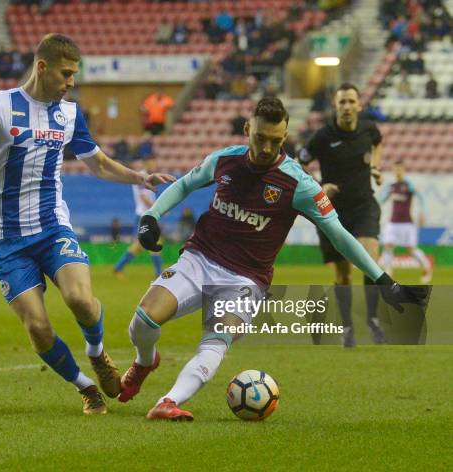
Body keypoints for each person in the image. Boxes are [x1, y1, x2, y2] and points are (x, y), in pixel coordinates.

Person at [117, 97, 425, 421]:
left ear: (286, 136)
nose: (267, 148)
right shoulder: (223, 160)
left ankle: (168, 401)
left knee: (218, 337)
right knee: (144, 320)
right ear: (248, 129)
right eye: (260, 138)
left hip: (245, 280)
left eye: (276, 141)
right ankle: (145, 360)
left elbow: (340, 234)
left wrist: (383, 280)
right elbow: (184, 185)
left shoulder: (299, 184)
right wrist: (151, 216)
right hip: (199, 258)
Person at [0, 34, 174, 414]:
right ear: (42, 66)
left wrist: (140, 177)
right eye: (66, 73)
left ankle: (97, 355)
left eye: (74, 75)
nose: (71, 82)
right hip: (5, 239)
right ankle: (85, 387)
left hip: (52, 227)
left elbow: (97, 162)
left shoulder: (69, 113)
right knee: (37, 327)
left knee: (80, 299)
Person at [299, 83, 386, 348]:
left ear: (359, 105)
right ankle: (347, 326)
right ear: (335, 107)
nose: (347, 107)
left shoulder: (369, 129)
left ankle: (372, 318)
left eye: (351, 102)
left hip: (364, 206)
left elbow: (378, 143)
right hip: (331, 213)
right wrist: (318, 186)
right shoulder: (323, 136)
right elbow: (299, 161)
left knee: (371, 260)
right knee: (344, 275)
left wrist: (374, 166)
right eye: (342, 103)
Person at [380, 160, 432, 283]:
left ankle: (427, 267)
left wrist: (422, 212)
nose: (397, 171)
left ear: (403, 170)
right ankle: (388, 274)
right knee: (387, 245)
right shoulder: (391, 186)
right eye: (395, 169)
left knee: (411, 250)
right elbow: (382, 199)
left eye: (399, 169)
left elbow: (421, 197)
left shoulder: (408, 185)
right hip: (392, 222)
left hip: (407, 223)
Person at [113, 157, 163, 279]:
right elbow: (143, 197)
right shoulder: (142, 176)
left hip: (146, 215)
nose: (156, 165)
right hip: (144, 215)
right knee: (153, 243)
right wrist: (157, 208)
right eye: (153, 162)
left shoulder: (146, 176)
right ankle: (158, 273)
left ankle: (119, 267)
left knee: (141, 245)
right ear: (148, 163)